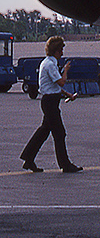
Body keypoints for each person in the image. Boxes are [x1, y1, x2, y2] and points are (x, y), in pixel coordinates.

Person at [20, 36, 82, 173]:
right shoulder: (50, 65)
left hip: (50, 101)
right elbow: (61, 82)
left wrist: (68, 95)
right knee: (60, 133)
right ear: (56, 51)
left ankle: (28, 159)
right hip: (50, 103)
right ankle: (65, 165)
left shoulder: (46, 63)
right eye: (61, 50)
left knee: (43, 131)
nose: (62, 53)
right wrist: (66, 70)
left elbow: (54, 86)